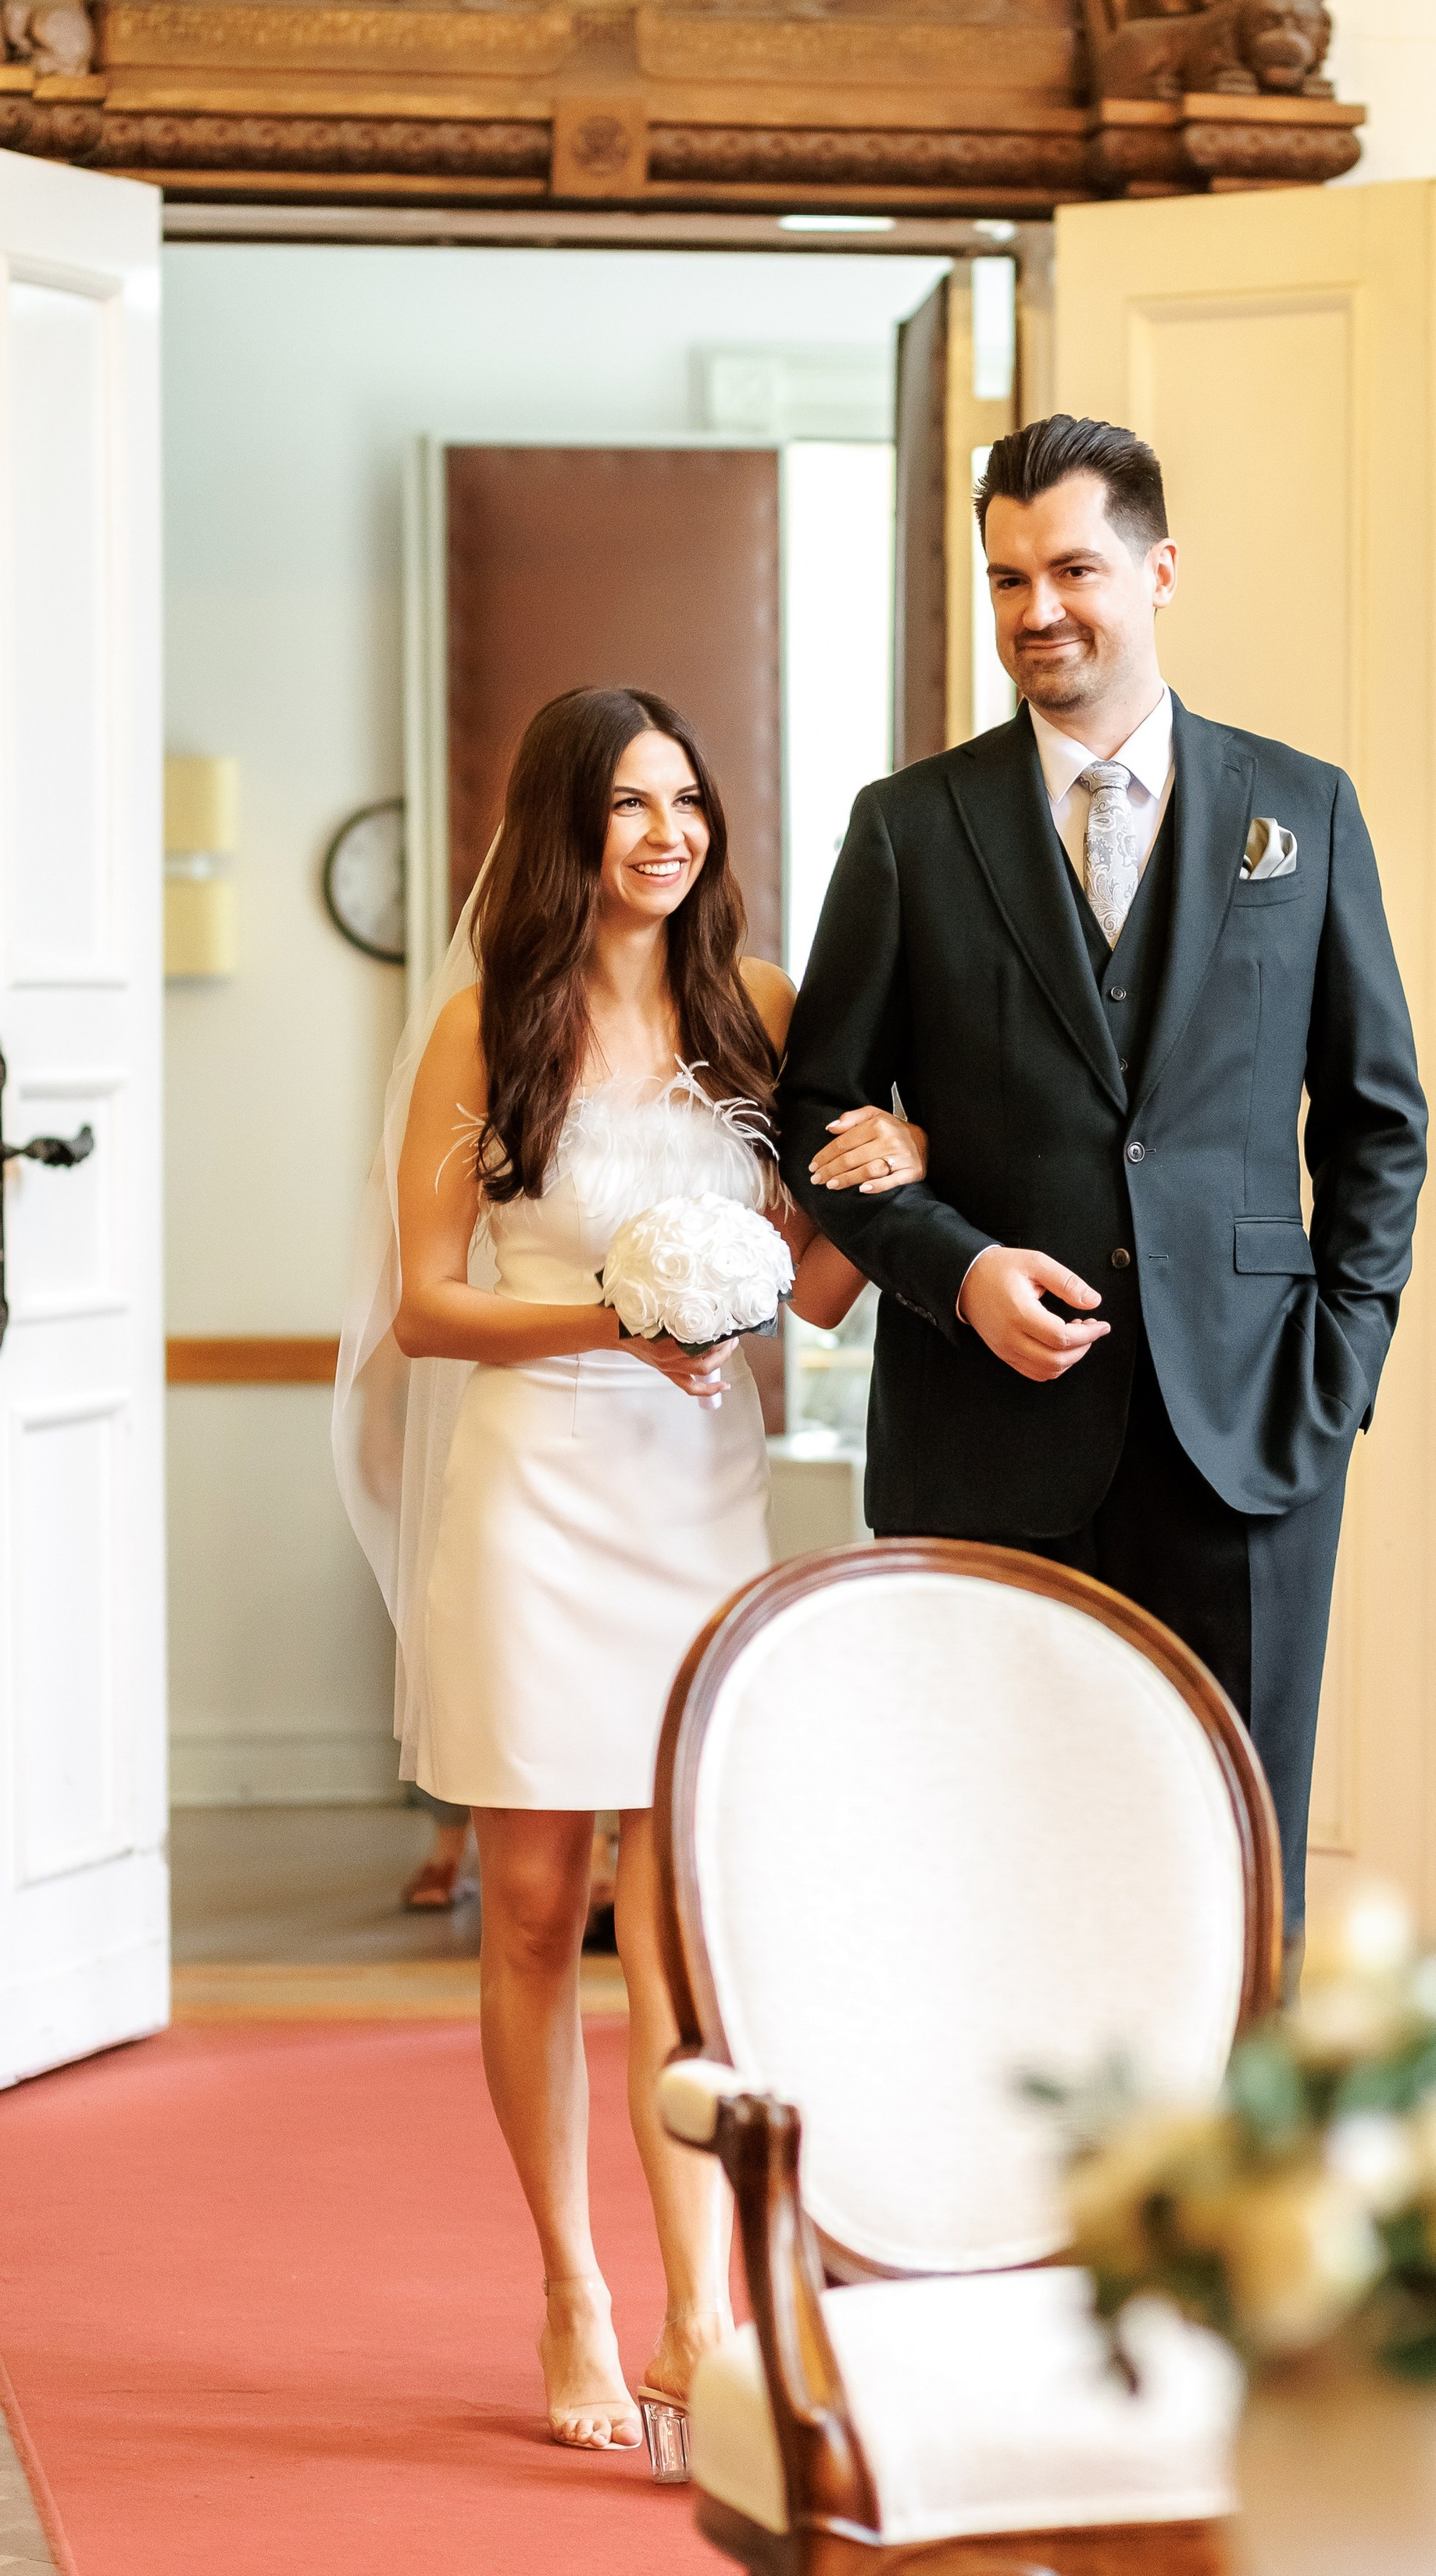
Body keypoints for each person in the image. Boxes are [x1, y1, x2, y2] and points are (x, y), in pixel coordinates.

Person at [334, 684, 924, 2453]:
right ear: (561, 831)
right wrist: (619, 1313)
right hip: (530, 1500)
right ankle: (569, 2289)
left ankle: (701, 2309)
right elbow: (429, 1307)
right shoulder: (477, 1032)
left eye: (686, 801)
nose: (666, 834)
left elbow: (808, 1290)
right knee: (530, 1907)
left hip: (696, 1498)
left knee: (672, 1914)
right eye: (625, 806)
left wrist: (882, 1180)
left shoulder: (760, 1013)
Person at [778, 416, 1427, 1941]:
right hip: (982, 1435)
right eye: (1006, 579)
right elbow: (817, 1106)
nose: (1036, 611)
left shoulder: (1302, 809)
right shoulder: (906, 829)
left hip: (1253, 1422)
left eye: (1071, 569)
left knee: (1233, 1848)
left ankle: (1225, 2176)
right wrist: (951, 1268)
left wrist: (1336, 1361)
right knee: (1001, 1853)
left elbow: (1377, 1116)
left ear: (1157, 571)